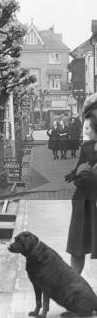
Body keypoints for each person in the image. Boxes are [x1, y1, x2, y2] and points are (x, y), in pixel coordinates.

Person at [65, 93, 97, 275]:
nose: (85, 131)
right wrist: (76, 175)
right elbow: (79, 171)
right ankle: (72, 283)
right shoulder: (86, 147)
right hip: (82, 203)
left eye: (88, 128)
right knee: (78, 246)